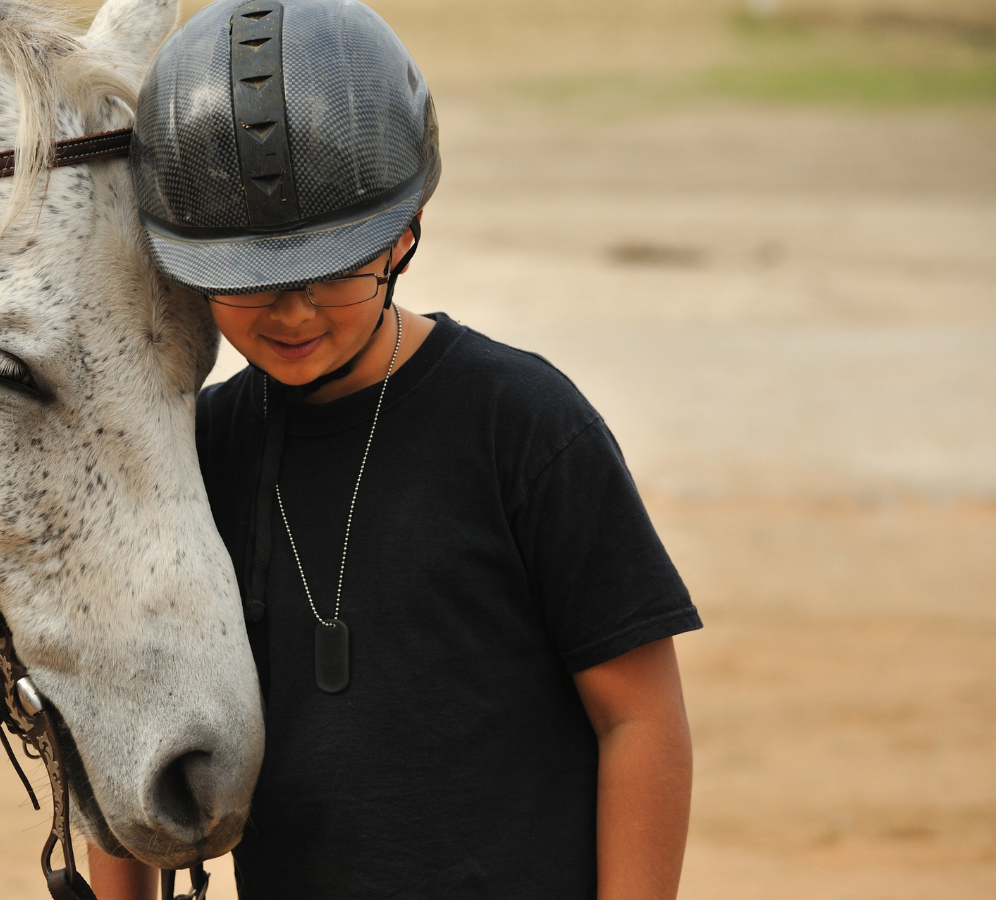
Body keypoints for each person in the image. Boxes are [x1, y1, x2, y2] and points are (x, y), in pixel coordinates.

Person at [91, 1, 701, 897]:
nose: (293, 313)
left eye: (332, 271)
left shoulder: (523, 425)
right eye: (250, 279)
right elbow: (127, 727)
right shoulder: (201, 453)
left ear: (404, 232)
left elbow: (639, 716)